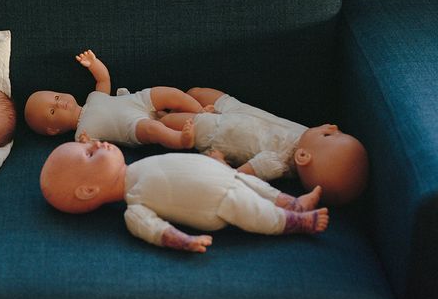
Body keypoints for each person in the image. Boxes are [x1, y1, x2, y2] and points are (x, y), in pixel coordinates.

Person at [39, 137, 329, 253]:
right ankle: (294, 222)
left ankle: (294, 203)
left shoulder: (138, 167)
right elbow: (154, 230)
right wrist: (184, 241)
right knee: (254, 211)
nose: (98, 144)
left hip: (226, 176)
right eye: (90, 153)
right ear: (88, 190)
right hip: (219, 204)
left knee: (258, 187)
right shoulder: (134, 205)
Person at [158, 88, 369, 206]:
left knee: (170, 122)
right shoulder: (306, 136)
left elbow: (240, 175)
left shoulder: (277, 163)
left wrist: (222, 165)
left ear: (303, 157)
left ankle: (155, 117)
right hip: (236, 109)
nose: (333, 126)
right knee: (197, 92)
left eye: (329, 135)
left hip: (218, 131)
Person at [24, 49, 209, 150]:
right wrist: (87, 145)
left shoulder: (93, 98)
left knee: (170, 93)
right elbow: (90, 150)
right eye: (52, 110)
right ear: (53, 130)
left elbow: (103, 80)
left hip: (137, 101)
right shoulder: (82, 133)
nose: (58, 102)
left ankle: (201, 111)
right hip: (132, 126)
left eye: (55, 97)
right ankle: (181, 141)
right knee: (154, 129)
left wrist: (94, 64)